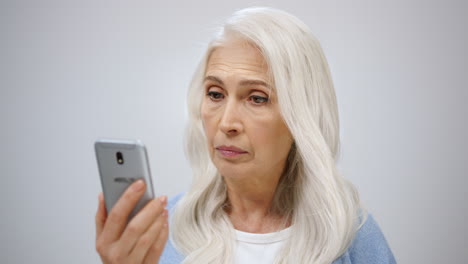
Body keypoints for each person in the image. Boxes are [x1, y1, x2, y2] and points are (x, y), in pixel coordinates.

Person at [95, 7, 396, 264]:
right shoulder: (162, 231)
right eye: (215, 93)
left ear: (301, 116)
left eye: (257, 98)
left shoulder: (351, 235)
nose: (227, 123)